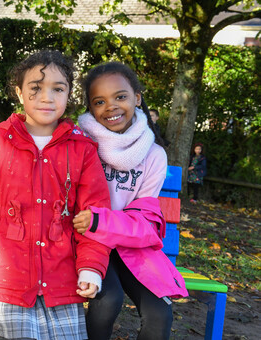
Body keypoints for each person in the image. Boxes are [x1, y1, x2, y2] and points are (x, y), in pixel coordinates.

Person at [0, 50, 112, 340]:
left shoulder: (82, 149)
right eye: (35, 88)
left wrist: (90, 267)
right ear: (19, 93)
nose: (47, 98)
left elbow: (94, 216)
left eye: (57, 89)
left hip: (64, 274)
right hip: (7, 272)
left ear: (69, 94)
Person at [75, 61, 188, 340]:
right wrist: (95, 225)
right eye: (99, 101)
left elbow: (145, 219)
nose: (111, 106)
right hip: (87, 241)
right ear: (90, 108)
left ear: (137, 98)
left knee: (160, 313)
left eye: (120, 97)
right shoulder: (78, 143)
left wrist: (104, 221)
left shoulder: (154, 155)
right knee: (107, 302)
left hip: (130, 244)